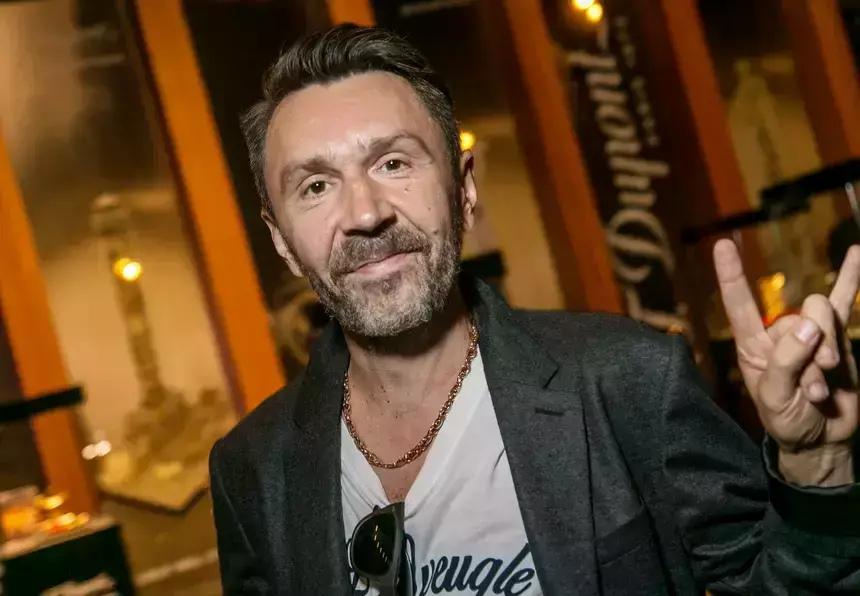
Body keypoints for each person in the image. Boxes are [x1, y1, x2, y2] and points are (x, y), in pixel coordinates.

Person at [209, 24, 860, 595]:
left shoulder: (629, 381)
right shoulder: (252, 470)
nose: (365, 213)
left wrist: (817, 466)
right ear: (281, 241)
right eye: (316, 185)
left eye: (394, 162)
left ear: (464, 189)